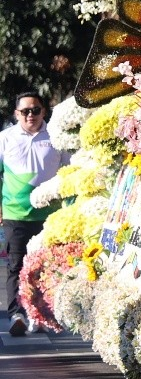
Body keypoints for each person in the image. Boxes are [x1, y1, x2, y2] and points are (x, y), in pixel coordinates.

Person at [2, 91, 69, 336]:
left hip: (49, 215)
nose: (31, 115)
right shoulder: (5, 138)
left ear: (44, 111)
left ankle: (40, 314)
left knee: (46, 266)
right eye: (25, 111)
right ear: (16, 113)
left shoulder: (56, 137)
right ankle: (16, 314)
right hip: (15, 215)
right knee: (16, 265)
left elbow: (69, 170)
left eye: (36, 110)